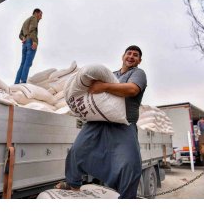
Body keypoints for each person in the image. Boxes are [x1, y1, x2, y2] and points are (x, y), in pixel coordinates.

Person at [55, 45, 147, 199]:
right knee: (77, 150)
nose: (131, 56)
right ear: (123, 56)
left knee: (130, 163)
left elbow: (132, 90)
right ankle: (73, 183)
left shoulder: (138, 73)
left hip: (124, 124)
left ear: (139, 60)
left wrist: (104, 87)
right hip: (99, 120)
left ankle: (127, 198)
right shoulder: (111, 74)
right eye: (129, 53)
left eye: (135, 55)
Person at [14, 8, 43, 84]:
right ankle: (23, 82)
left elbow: (20, 35)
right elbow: (32, 30)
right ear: (36, 13)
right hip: (30, 41)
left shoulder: (25, 21)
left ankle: (16, 82)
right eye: (40, 15)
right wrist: (34, 41)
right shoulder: (34, 18)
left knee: (23, 64)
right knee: (28, 63)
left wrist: (23, 38)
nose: (41, 17)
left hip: (24, 43)